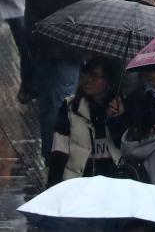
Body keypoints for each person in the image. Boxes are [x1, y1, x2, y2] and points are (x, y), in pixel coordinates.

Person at [16, 0, 101, 158]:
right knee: (66, 97)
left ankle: (49, 154)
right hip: (72, 34)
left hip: (39, 34)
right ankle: (64, 156)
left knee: (46, 99)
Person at [47, 57, 125, 186]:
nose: (87, 80)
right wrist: (52, 189)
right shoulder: (70, 107)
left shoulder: (122, 107)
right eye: (85, 74)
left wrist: (117, 118)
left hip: (113, 184)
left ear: (108, 81)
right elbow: (59, 151)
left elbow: (124, 145)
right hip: (78, 184)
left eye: (94, 76)